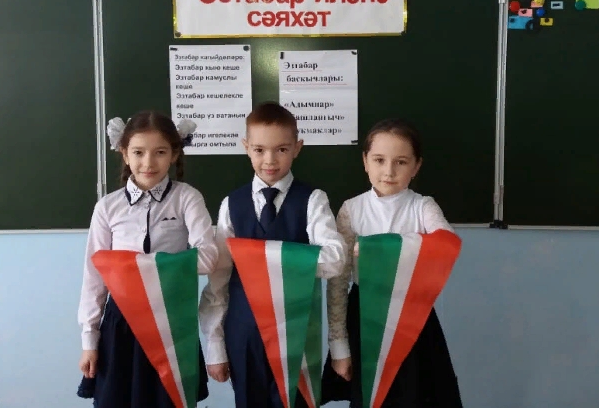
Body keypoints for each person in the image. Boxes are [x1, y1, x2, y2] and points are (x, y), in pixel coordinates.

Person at [199, 102, 347, 408]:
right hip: (243, 332)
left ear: (297, 148)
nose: (270, 160)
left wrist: (265, 259)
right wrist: (214, 347)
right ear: (246, 148)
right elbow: (218, 281)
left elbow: (335, 259)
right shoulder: (231, 204)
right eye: (259, 150)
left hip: (296, 333)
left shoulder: (313, 200)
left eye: (281, 149)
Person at [76, 110, 218, 408]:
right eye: (139, 152)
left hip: (172, 322)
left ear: (174, 154)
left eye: (160, 152)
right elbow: (95, 277)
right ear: (124, 154)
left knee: (170, 400)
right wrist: (89, 340)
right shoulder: (108, 207)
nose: (149, 162)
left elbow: (207, 258)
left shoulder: (187, 198)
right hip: (121, 324)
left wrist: (138, 268)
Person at [321, 118, 464, 407]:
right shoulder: (352, 209)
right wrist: (339, 346)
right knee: (369, 396)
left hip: (413, 318)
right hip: (363, 316)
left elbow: (446, 244)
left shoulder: (423, 206)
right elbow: (338, 282)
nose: (389, 171)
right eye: (379, 160)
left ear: (416, 166)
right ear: (365, 161)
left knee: (415, 395)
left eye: (401, 162)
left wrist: (377, 250)